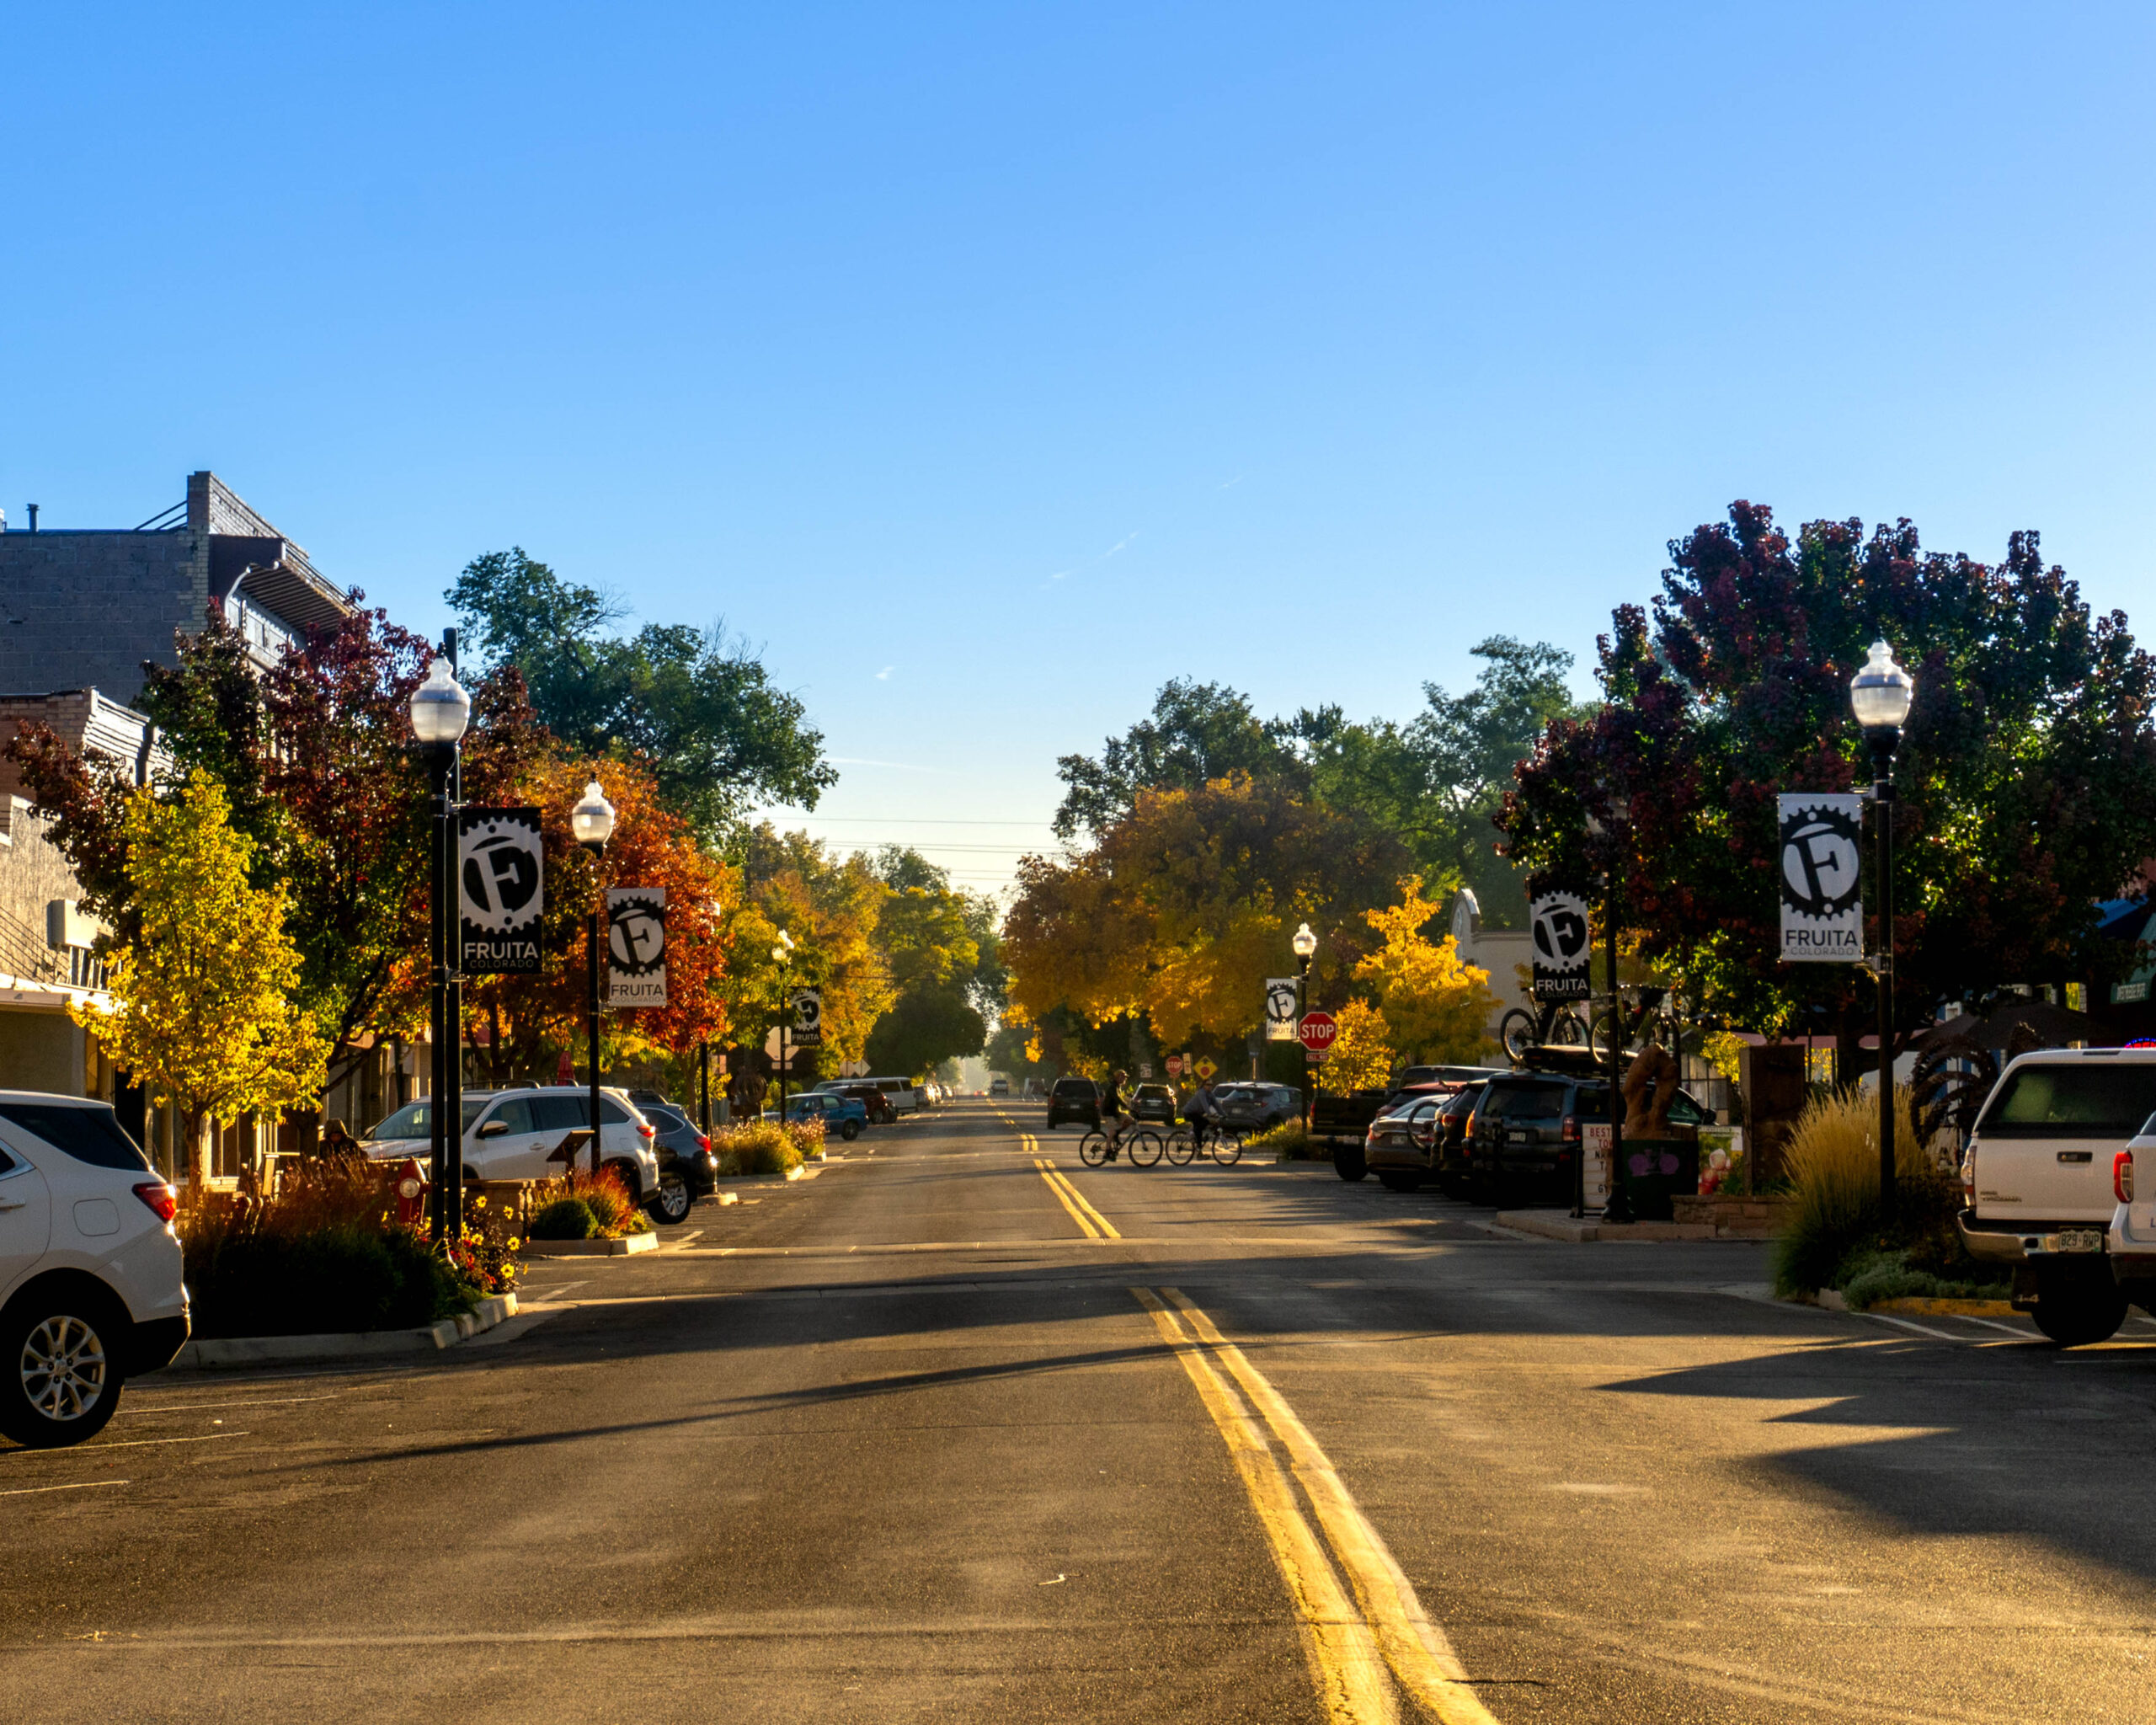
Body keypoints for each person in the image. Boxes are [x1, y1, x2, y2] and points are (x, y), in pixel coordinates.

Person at [1180, 1076, 1218, 1151]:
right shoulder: (1202, 1093)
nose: (1210, 1086)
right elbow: (1205, 1105)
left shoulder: (1209, 1094)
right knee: (1201, 1125)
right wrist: (1210, 1114)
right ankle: (1198, 1146)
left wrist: (1222, 1114)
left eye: (1211, 1085)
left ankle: (1196, 1136)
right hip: (1189, 1112)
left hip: (1196, 1113)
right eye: (1208, 1084)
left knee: (1204, 1123)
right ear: (1204, 1085)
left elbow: (1217, 1105)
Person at [1099, 1070, 1129, 1161]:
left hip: (1116, 1112)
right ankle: (1107, 1153)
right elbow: (1118, 1099)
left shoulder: (1118, 1087)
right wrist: (1127, 1107)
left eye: (1125, 1077)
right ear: (1117, 1077)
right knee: (1112, 1131)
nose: (1125, 1079)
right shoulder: (1112, 1087)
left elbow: (1119, 1099)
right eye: (1123, 1077)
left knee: (1130, 1120)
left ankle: (1116, 1135)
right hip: (1108, 1113)